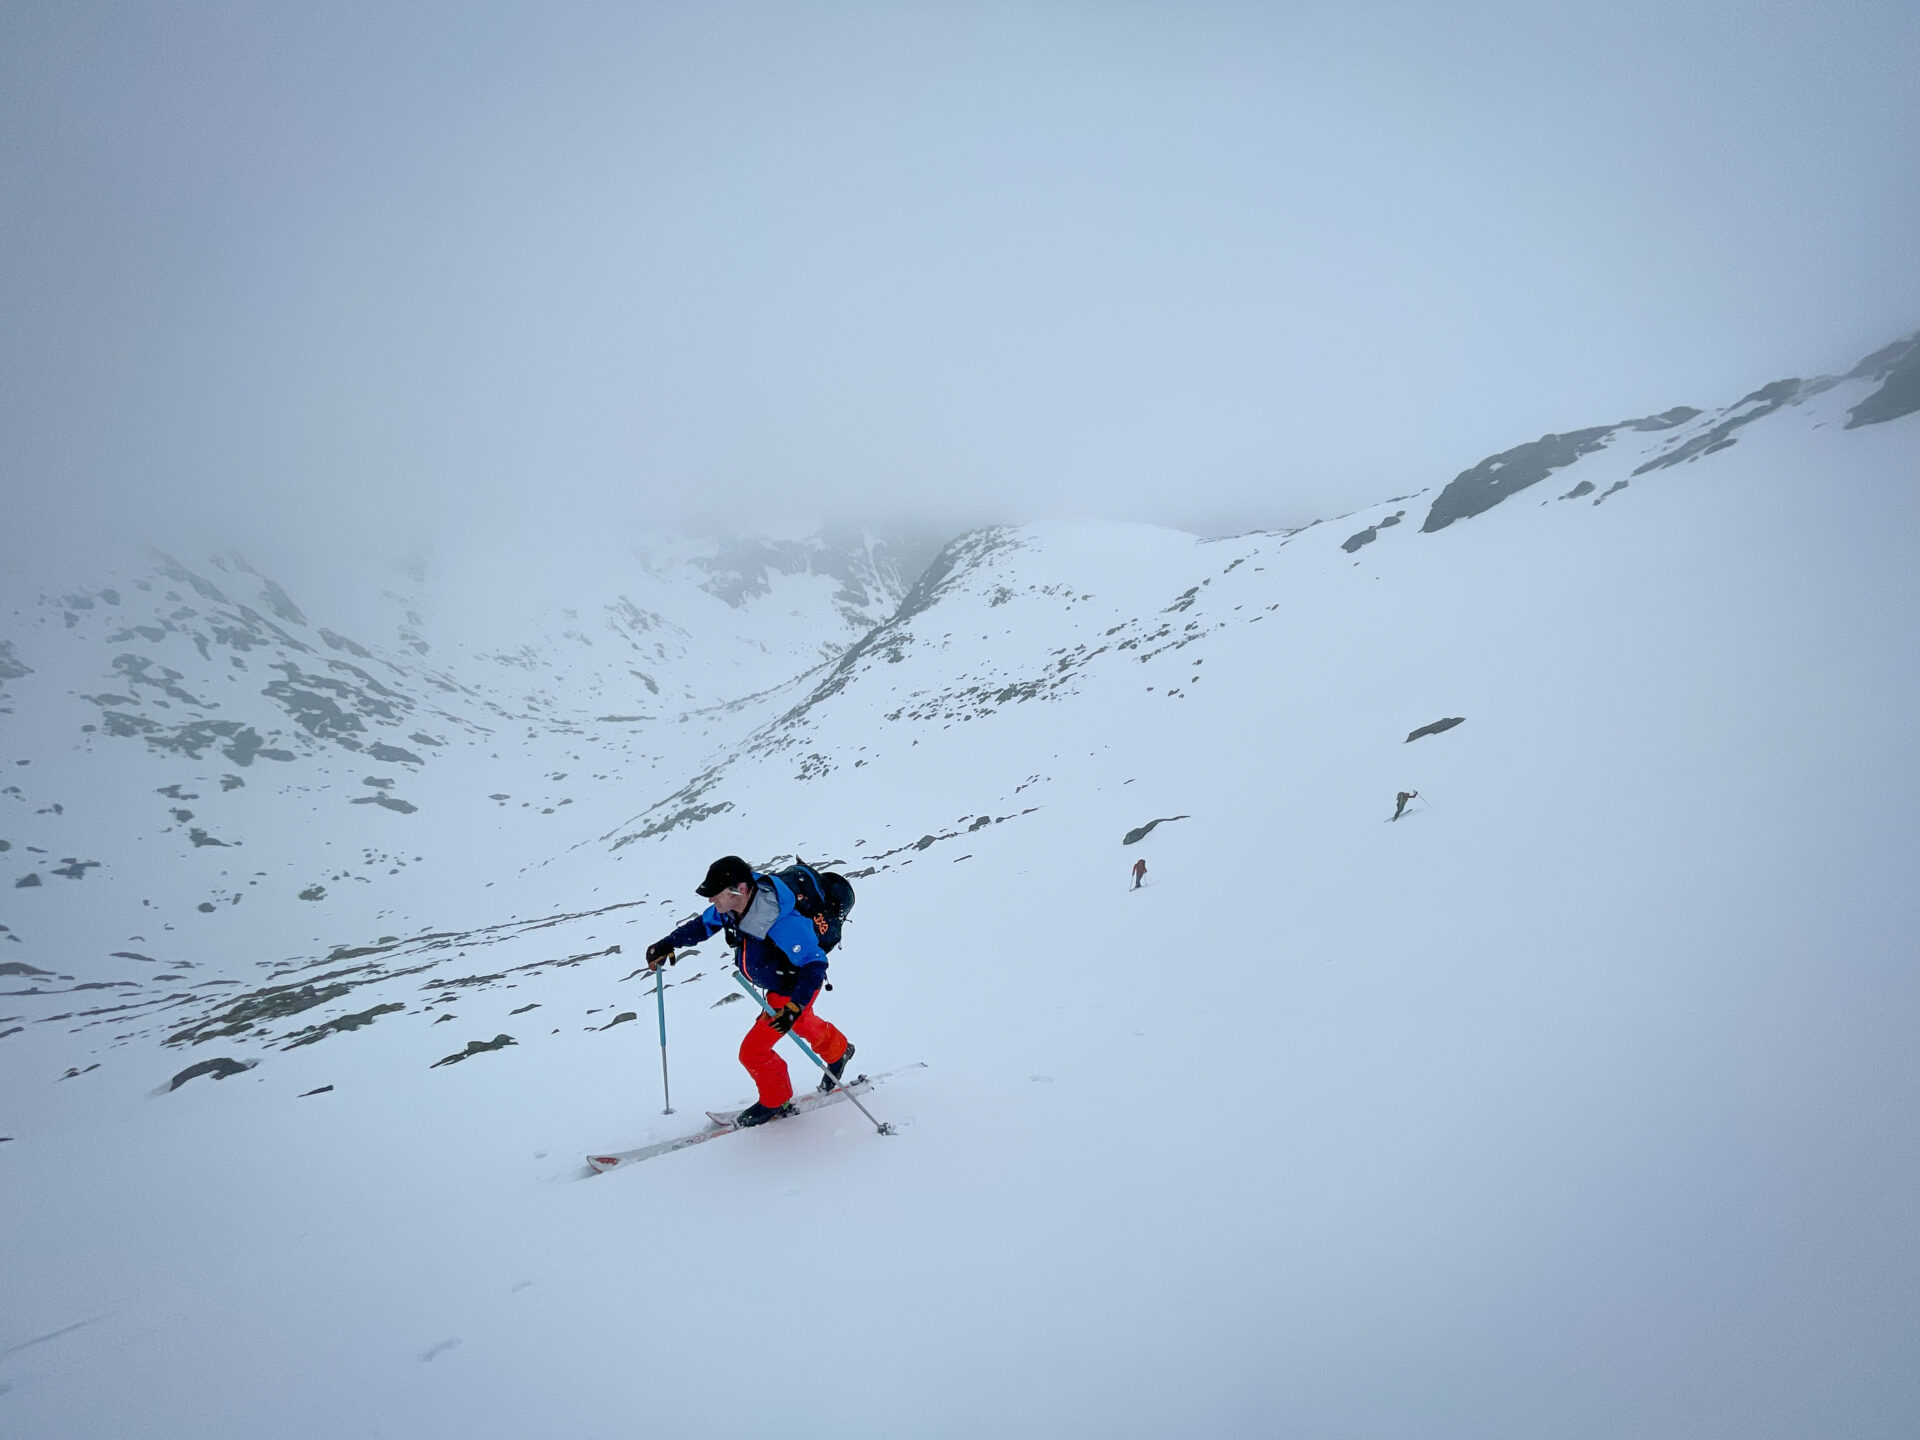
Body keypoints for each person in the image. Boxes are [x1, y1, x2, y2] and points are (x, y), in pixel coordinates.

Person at [644, 854, 856, 1127]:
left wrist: (794, 1006)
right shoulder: (734, 905)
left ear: (739, 889)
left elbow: (814, 964)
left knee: (753, 1052)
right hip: (781, 988)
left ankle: (776, 1100)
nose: (711, 900)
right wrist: (668, 943)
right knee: (803, 1023)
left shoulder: (780, 920)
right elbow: (704, 925)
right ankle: (839, 1052)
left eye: (715, 894)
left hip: (796, 987)